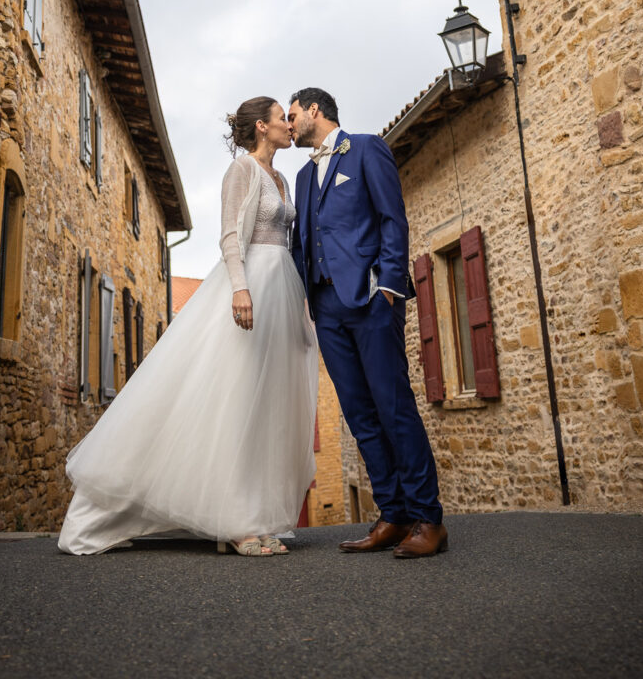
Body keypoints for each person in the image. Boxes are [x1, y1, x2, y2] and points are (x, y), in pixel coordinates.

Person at [58, 96, 318, 557]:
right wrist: (240, 288)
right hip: (252, 286)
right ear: (262, 127)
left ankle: (254, 513)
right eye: (282, 118)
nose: (288, 124)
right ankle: (233, 523)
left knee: (264, 407)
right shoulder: (243, 171)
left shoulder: (280, 178)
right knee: (236, 401)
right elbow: (230, 234)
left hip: (282, 290)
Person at [287, 88, 447, 558]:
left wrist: (392, 287)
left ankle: (428, 519)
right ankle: (393, 514)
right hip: (326, 307)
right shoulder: (300, 177)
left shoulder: (365, 148)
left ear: (315, 109)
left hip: (372, 299)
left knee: (393, 406)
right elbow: (305, 241)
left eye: (293, 114)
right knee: (359, 414)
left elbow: (391, 219)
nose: (289, 123)